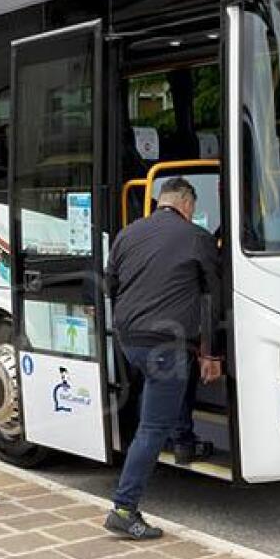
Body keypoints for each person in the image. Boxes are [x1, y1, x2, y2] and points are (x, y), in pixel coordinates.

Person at [103, 177, 222, 540]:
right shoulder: (197, 238)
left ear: (160, 202)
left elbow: (110, 285)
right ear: (187, 204)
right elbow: (212, 299)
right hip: (163, 347)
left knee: (167, 386)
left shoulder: (127, 233)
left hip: (129, 341)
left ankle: (183, 438)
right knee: (151, 429)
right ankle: (124, 508)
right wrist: (211, 353)